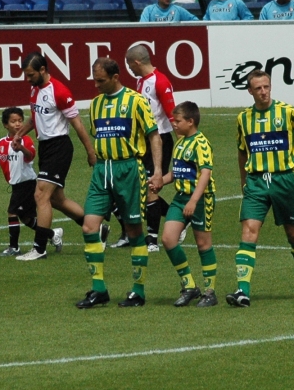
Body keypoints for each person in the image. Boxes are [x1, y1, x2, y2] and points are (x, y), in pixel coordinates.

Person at [75, 57, 163, 309]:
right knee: (90, 227)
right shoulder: (95, 105)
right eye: (94, 80)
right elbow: (98, 134)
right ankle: (99, 289)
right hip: (102, 170)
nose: (96, 85)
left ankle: (138, 291)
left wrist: (157, 171)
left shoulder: (136, 101)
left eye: (100, 80)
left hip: (129, 170)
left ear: (115, 77)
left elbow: (154, 136)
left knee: (134, 231)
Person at [226, 70, 294, 307]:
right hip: (256, 182)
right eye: (258, 88)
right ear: (250, 91)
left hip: (284, 181)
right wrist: (243, 180)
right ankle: (242, 291)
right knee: (248, 232)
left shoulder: (288, 112)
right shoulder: (243, 119)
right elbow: (241, 150)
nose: (264, 92)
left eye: (266, 86)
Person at [14, 52, 98, 260]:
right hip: (46, 147)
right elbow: (34, 119)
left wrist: (90, 152)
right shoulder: (35, 89)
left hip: (59, 147)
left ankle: (40, 248)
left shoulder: (59, 91)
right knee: (57, 199)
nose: (27, 79)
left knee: (40, 195)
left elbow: (77, 124)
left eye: (31, 74)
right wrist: (18, 135)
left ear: (42, 70)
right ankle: (98, 230)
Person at [0, 108, 74, 258]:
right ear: (5, 125)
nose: (17, 124)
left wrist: (21, 148)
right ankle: (53, 234)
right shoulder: (1, 144)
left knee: (12, 211)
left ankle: (14, 247)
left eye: (20, 121)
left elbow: (30, 156)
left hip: (27, 183)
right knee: (26, 218)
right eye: (13, 121)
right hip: (16, 185)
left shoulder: (25, 140)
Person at [158, 101, 218, 307]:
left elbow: (205, 174)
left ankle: (210, 291)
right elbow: (176, 173)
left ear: (190, 122)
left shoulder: (201, 143)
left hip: (201, 199)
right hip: (180, 198)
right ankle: (190, 285)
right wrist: (160, 181)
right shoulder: (180, 142)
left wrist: (194, 200)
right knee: (168, 239)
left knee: (203, 244)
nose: (174, 124)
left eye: (178, 121)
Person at [121, 45, 176, 252]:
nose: (129, 68)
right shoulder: (141, 81)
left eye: (129, 64)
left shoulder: (160, 81)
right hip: (143, 142)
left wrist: (183, 145)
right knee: (141, 190)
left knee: (151, 188)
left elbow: (172, 115)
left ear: (136, 62)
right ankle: (176, 218)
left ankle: (152, 241)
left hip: (159, 140)